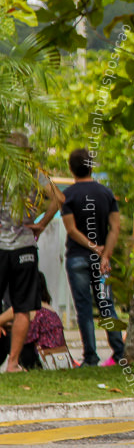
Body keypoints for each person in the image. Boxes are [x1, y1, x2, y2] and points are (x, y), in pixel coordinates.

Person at [1, 132, 63, 373]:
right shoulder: (33, 174)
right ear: (27, 152)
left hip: (0, 246)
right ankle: (13, 363)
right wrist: (41, 224)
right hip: (25, 246)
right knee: (22, 307)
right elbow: (58, 198)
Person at [61, 148, 125, 366]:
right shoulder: (106, 193)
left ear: (71, 168)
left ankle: (91, 356)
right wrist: (104, 254)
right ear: (91, 166)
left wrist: (92, 247)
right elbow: (115, 227)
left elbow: (71, 229)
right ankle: (119, 352)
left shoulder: (68, 195)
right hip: (102, 261)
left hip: (77, 258)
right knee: (107, 304)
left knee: (84, 308)